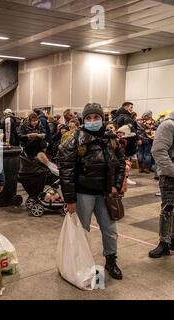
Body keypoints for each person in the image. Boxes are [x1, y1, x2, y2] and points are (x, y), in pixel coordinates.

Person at [59, 103, 126, 280]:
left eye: (96, 117)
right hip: (83, 194)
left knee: (110, 229)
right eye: (88, 118)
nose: (92, 121)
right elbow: (66, 171)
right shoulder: (75, 140)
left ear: (101, 118)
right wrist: (70, 199)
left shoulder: (111, 139)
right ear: (83, 120)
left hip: (106, 194)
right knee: (82, 230)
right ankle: (80, 262)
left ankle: (111, 260)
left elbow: (120, 164)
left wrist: (116, 186)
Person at [149, 110, 174, 258]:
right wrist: (172, 171)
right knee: (168, 208)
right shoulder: (168, 125)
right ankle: (163, 243)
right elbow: (158, 151)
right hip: (169, 176)